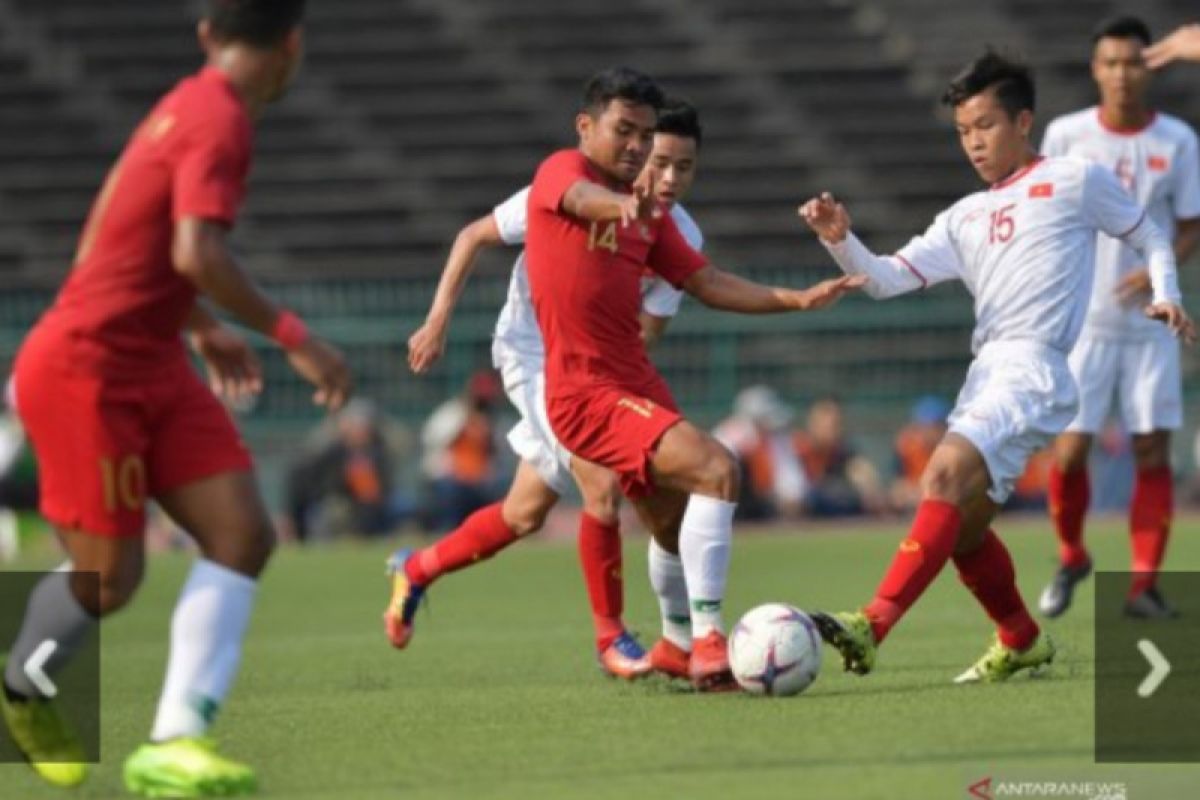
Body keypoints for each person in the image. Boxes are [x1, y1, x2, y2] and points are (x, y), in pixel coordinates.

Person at [0, 1, 351, 795]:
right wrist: (294, 335)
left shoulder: (183, 106)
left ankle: (174, 742)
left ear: (206, 35)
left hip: (152, 361)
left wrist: (193, 324)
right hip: (88, 369)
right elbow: (195, 247)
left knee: (242, 534)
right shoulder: (217, 118)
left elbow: (119, 238)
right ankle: (22, 685)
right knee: (110, 581)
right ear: (292, 45)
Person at [799, 50, 1191, 684]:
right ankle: (1021, 636)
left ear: (1024, 121)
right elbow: (885, 280)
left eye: (985, 125)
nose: (973, 143)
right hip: (987, 373)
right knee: (964, 528)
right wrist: (839, 239)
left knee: (943, 473)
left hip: (1035, 367)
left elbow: (1149, 233)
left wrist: (1165, 292)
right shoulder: (964, 216)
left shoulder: (1074, 179)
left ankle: (872, 625)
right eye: (963, 132)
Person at [523, 66, 863, 689]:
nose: (636, 147)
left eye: (645, 136)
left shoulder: (653, 218)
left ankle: (678, 646)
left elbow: (706, 282)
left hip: (633, 380)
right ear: (585, 126)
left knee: (672, 523)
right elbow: (580, 201)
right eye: (624, 131)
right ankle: (710, 640)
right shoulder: (564, 174)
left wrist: (797, 299)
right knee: (719, 467)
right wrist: (628, 204)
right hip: (585, 392)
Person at [390, 99, 708, 681]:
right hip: (533, 354)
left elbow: (649, 333)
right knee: (601, 480)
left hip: (598, 370)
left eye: (683, 168)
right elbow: (474, 235)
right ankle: (610, 638)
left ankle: (415, 569)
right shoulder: (571, 184)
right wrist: (436, 320)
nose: (667, 179)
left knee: (523, 514)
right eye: (657, 161)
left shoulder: (681, 234)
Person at [1036, 16, 1200, 620]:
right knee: (1071, 453)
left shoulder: (1177, 140)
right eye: (1111, 63)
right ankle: (1072, 553)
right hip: (1083, 324)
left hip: (1150, 326)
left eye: (1133, 62)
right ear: (1095, 70)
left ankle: (1143, 587)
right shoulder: (1067, 135)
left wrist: (1158, 270)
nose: (1122, 74)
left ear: (1147, 68)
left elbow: (1190, 223)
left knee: (1152, 451)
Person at [284, 398, 412, 541]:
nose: (360, 432)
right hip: (340, 501)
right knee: (334, 513)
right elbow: (310, 458)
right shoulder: (332, 451)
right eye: (355, 426)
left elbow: (403, 443)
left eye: (363, 426)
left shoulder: (379, 450)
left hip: (376, 503)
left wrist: (381, 422)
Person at [419, 370, 505, 531]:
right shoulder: (452, 413)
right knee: (451, 500)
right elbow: (432, 442)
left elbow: (496, 456)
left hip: (480, 481)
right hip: (450, 480)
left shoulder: (492, 422)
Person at [713, 385, 808, 520]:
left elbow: (793, 489)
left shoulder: (777, 439)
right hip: (727, 508)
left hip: (765, 508)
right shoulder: (727, 438)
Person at [794, 396, 886, 517]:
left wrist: (870, 490)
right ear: (812, 423)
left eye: (836, 423)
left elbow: (866, 480)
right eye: (825, 422)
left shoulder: (844, 452)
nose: (831, 429)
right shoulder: (796, 449)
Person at [890, 396, 950, 512]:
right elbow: (897, 490)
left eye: (935, 426)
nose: (928, 432)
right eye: (923, 426)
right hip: (913, 504)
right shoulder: (907, 447)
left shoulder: (951, 451)